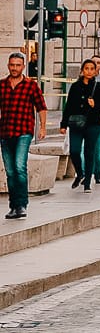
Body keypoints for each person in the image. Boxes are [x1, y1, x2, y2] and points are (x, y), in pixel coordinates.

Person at [1, 52, 47, 217]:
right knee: (10, 171)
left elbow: (41, 107)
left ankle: (21, 205)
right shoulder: (2, 85)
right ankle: (13, 205)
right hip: (5, 132)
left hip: (24, 131)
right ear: (8, 66)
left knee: (20, 167)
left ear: (23, 66)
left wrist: (42, 128)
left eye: (18, 65)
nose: (14, 68)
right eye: (12, 65)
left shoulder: (30, 85)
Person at [62, 57, 100, 192]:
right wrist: (63, 124)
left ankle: (87, 182)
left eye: (92, 69)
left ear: (95, 71)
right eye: (86, 68)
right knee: (74, 150)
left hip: (93, 123)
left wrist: (95, 105)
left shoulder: (98, 86)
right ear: (82, 70)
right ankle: (80, 173)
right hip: (76, 123)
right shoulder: (75, 86)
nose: (89, 71)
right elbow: (68, 106)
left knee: (89, 152)